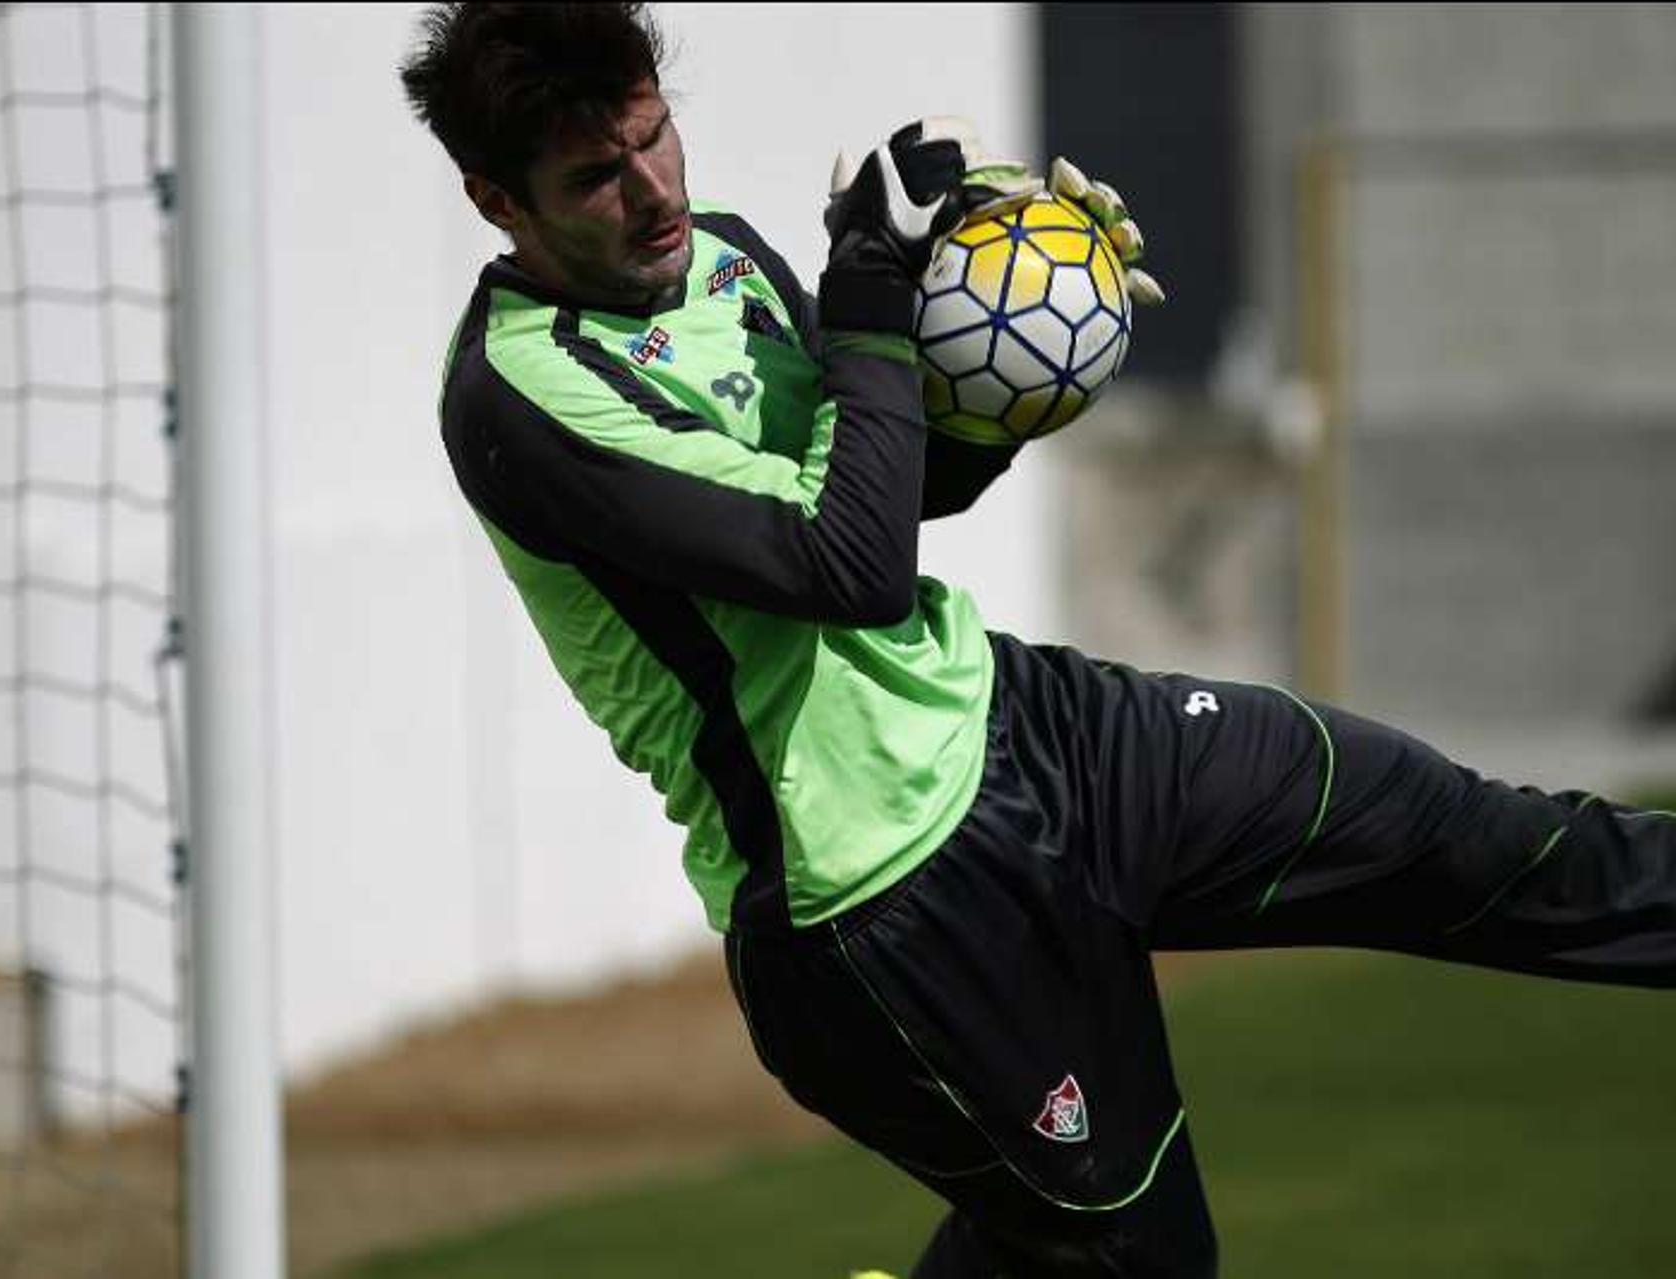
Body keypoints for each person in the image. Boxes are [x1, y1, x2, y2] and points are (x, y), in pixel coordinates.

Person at [400, 5, 1675, 1275]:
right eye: (593, 178)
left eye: (653, 138)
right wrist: (870, 289)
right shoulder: (520, 396)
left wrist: (1027, 341)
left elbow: (888, 487)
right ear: (496, 201)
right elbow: (846, 568)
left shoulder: (724, 259)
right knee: (1137, 1261)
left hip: (1029, 728)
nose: (651, 193)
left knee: (1449, 830)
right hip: (877, 901)